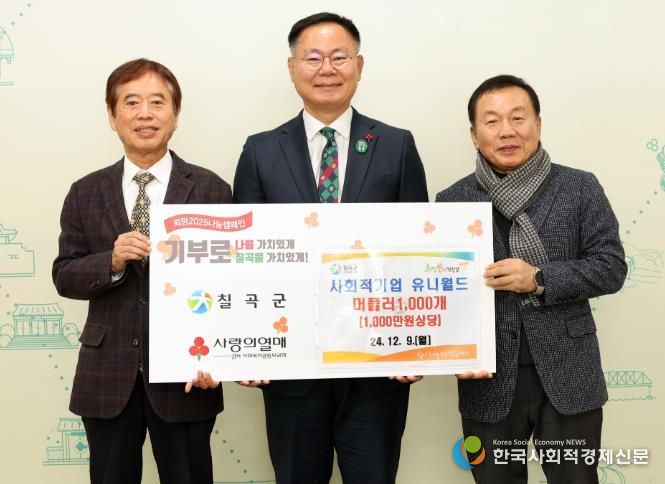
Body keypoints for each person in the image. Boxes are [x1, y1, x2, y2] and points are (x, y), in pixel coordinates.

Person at [233, 12, 428, 484]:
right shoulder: (260, 151)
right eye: (313, 58)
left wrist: (416, 346)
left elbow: (418, 252)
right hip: (290, 367)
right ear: (292, 67)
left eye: (339, 57)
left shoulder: (396, 145)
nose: (327, 69)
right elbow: (244, 259)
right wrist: (246, 350)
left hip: (377, 369)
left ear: (359, 65)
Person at [436, 74, 627, 483]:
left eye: (518, 117)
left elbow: (611, 266)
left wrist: (539, 278)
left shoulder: (579, 187)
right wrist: (454, 353)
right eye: (492, 121)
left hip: (569, 374)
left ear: (538, 124)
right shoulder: (452, 202)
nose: (506, 131)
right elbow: (441, 291)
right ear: (474, 135)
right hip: (487, 381)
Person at [52, 58, 231, 484]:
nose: (145, 114)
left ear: (176, 113)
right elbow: (64, 275)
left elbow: (231, 282)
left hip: (187, 372)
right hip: (107, 373)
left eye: (157, 102)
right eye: (131, 103)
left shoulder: (212, 189)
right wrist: (111, 261)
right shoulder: (85, 191)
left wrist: (216, 355)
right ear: (112, 116)